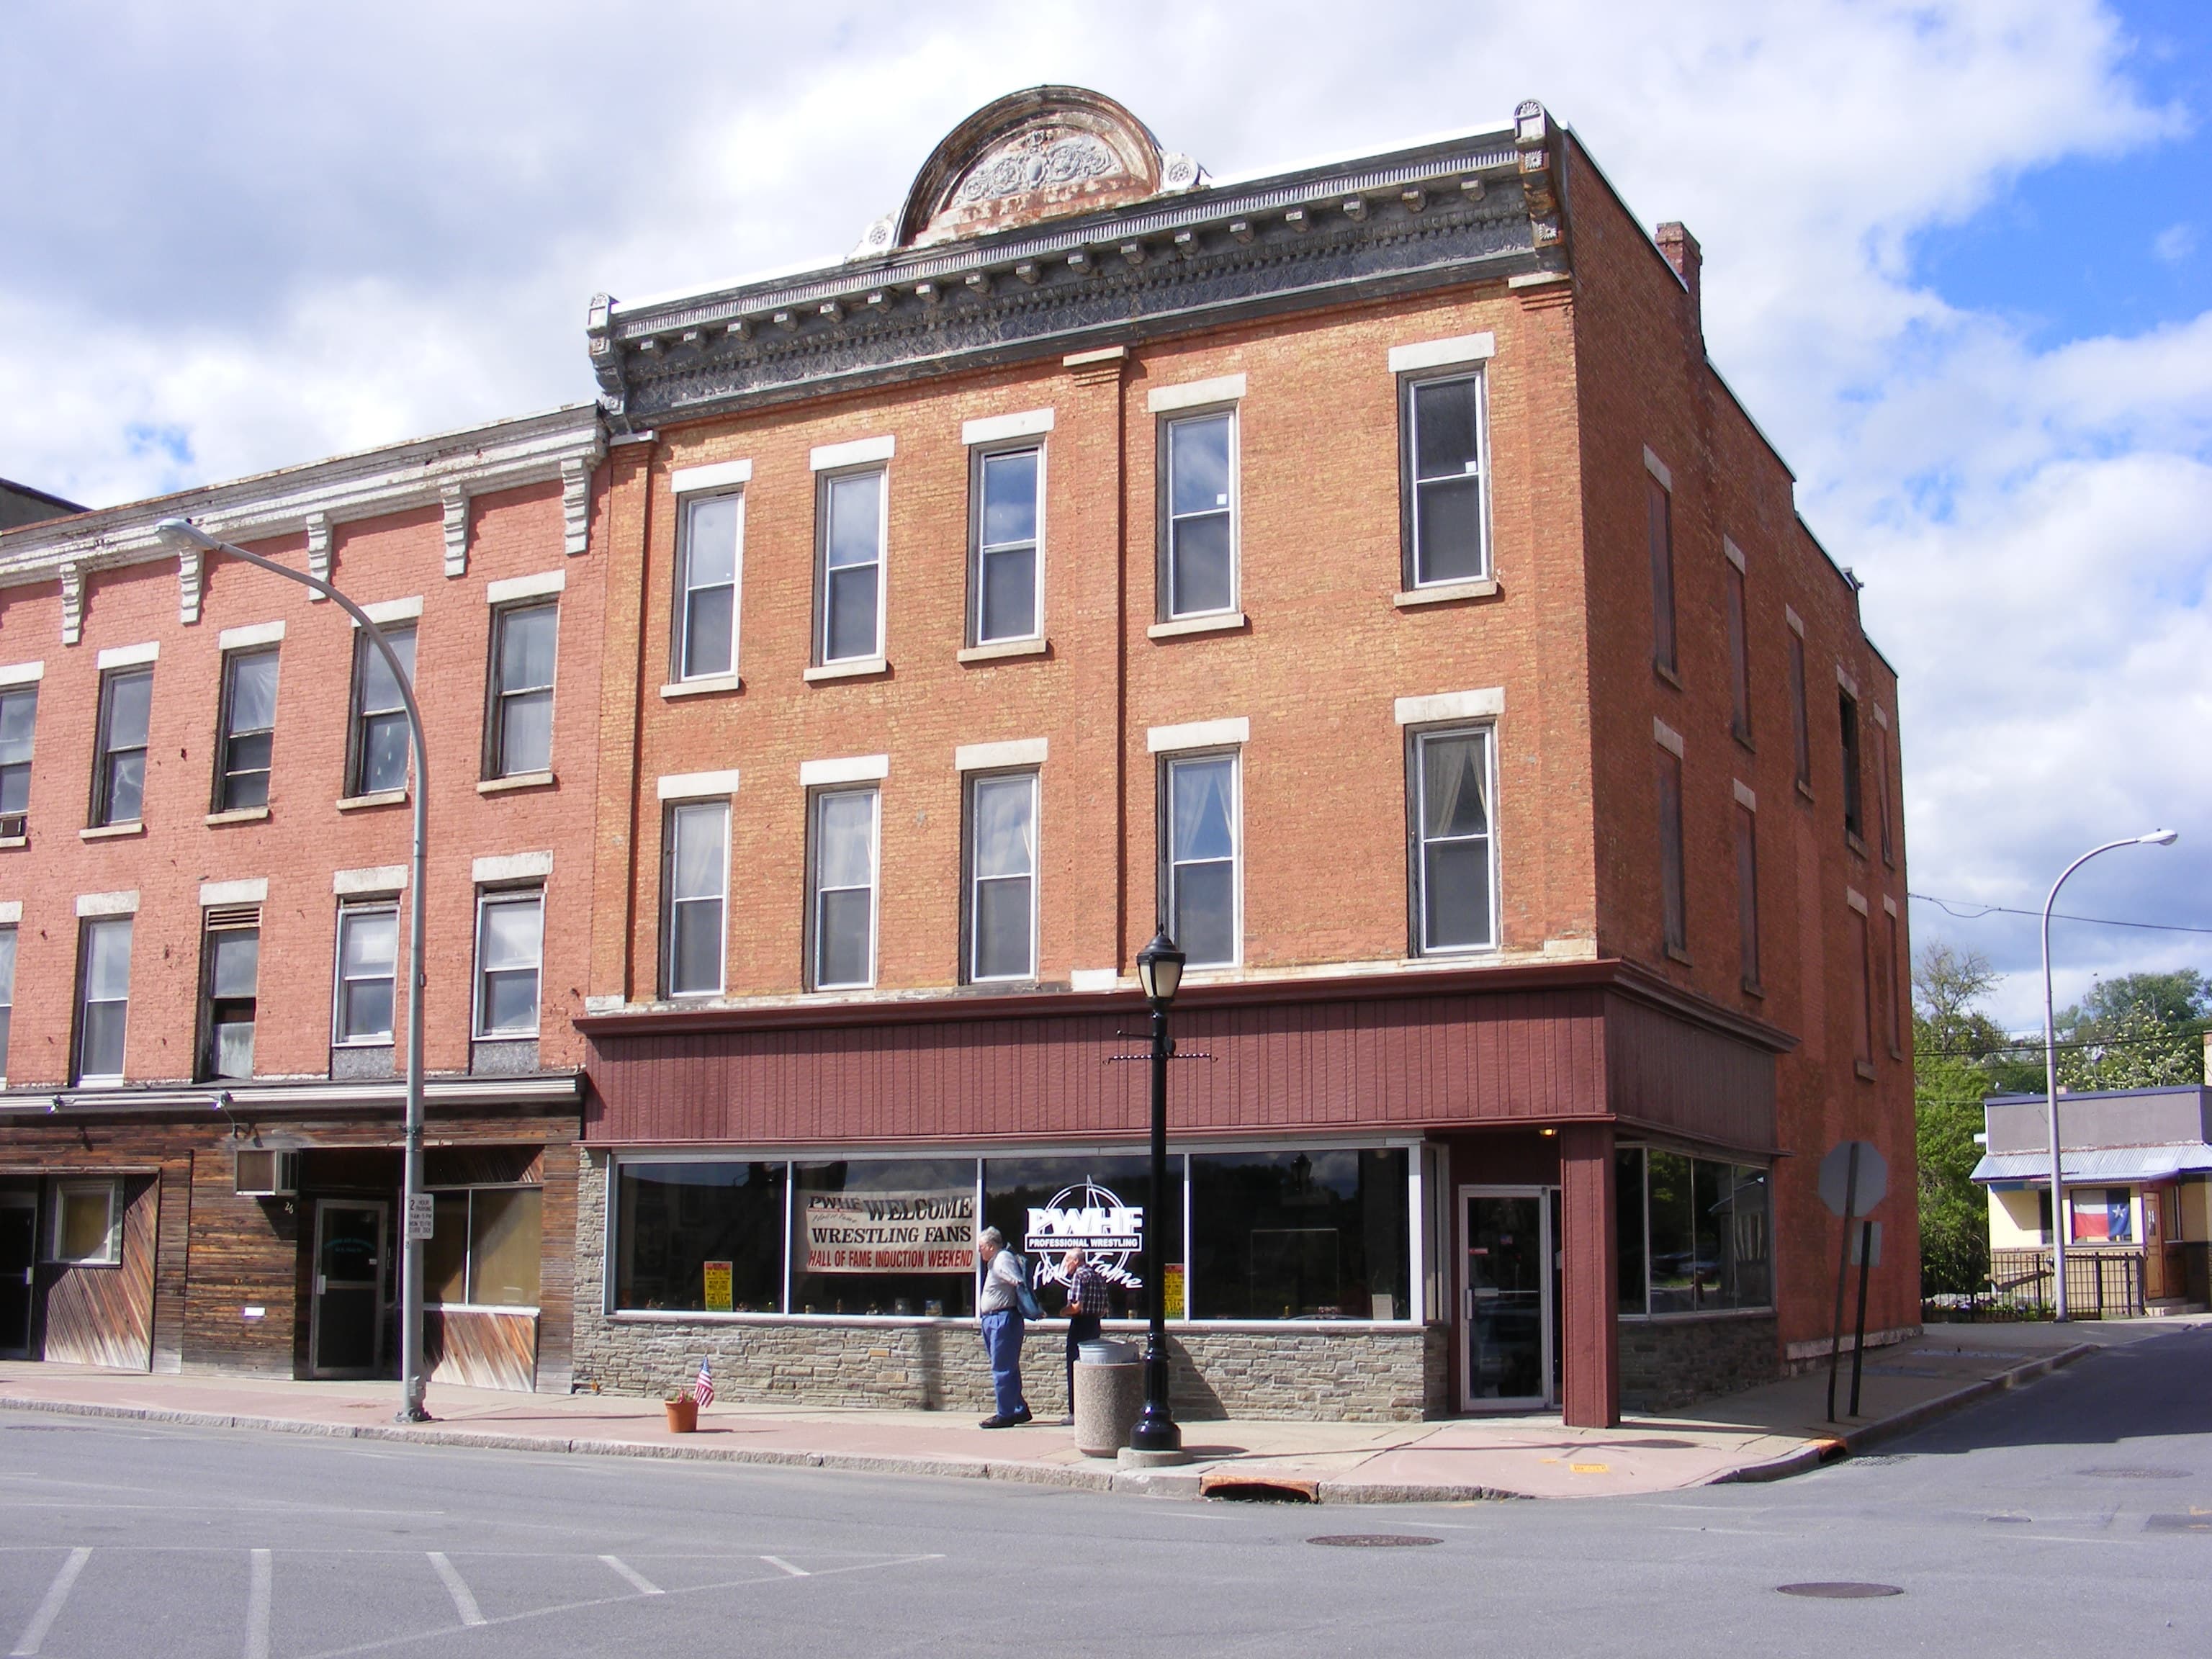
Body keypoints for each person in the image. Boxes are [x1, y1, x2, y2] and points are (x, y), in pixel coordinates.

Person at [975, 1227, 1031, 1428]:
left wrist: (1004, 1275)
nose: (979, 1251)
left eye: (981, 1247)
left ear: (990, 1246)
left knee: (1002, 1369)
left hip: (1002, 1319)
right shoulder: (995, 1261)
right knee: (1006, 1368)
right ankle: (1019, 1409)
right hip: (993, 1319)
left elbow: (1017, 1280)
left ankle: (1005, 1414)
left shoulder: (1002, 1259)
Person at [1059, 1247, 1108, 1426]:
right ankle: (1090, 1410)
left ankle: (1076, 1412)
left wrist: (1061, 1312)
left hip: (1080, 1324)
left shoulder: (1079, 1276)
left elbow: (1076, 1306)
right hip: (1094, 1324)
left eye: (1067, 1261)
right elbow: (1104, 1309)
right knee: (1091, 1368)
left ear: (1076, 1261)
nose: (1066, 1265)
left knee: (1075, 1367)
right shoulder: (1097, 1276)